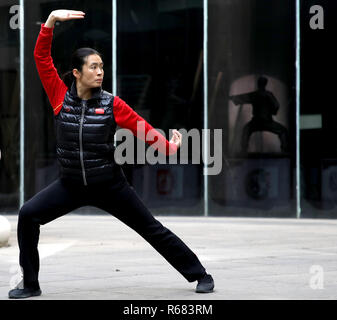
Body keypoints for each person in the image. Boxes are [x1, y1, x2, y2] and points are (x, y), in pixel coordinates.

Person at [8, 10, 214, 299]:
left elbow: (143, 129)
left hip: (109, 184)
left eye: (102, 66)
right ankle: (30, 283)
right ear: (77, 72)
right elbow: (42, 59)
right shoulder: (59, 97)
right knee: (28, 215)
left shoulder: (112, 104)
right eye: (93, 67)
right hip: (70, 185)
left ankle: (201, 275)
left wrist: (170, 147)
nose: (100, 71)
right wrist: (51, 22)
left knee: (152, 229)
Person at [230, 76, 289, 154]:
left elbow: (243, 97)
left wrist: (232, 98)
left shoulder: (257, 94)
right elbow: (276, 105)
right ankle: (284, 150)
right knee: (283, 131)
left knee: (246, 130)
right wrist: (273, 111)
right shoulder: (268, 94)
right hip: (264, 121)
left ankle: (244, 150)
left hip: (260, 121)